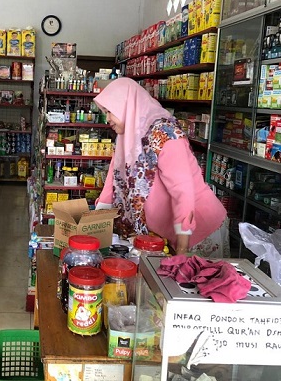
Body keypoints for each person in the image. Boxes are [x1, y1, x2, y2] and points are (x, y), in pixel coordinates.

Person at [94, 78, 228, 258]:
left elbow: (183, 192)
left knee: (193, 275)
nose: (107, 119)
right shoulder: (128, 137)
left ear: (126, 106)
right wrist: (96, 224)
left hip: (198, 230)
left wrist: (181, 251)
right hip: (166, 234)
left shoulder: (166, 134)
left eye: (110, 111)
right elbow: (114, 178)